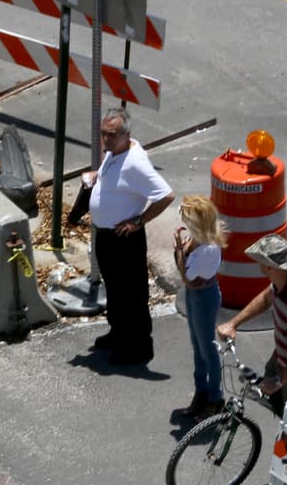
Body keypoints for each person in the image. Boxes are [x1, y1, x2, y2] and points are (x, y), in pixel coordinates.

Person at [70, 107, 174, 365]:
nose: (105, 140)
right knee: (115, 291)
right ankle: (118, 333)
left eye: (112, 135)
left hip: (124, 239)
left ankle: (136, 347)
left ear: (127, 134)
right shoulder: (116, 151)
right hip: (106, 235)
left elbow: (166, 195)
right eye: (103, 134)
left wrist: (139, 221)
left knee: (132, 295)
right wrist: (97, 177)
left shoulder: (136, 163)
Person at [216, 233, 287, 425]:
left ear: (269, 266)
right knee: (271, 390)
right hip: (284, 357)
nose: (258, 264)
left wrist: (279, 380)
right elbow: (265, 298)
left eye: (260, 260)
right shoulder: (285, 279)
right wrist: (233, 323)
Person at [173, 194, 228, 418]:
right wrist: (183, 251)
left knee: (207, 349)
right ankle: (201, 392)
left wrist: (179, 249)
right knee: (198, 347)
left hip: (204, 297)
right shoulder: (197, 239)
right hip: (195, 296)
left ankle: (215, 397)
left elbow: (185, 275)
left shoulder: (207, 248)